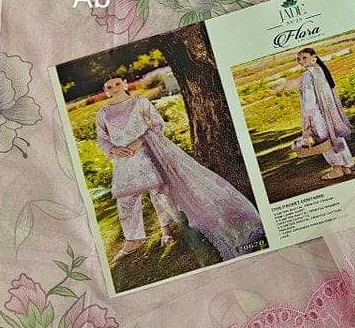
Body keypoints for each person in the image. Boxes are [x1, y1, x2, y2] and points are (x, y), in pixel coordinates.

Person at [95, 75, 263, 265]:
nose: (115, 88)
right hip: (124, 161)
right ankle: (133, 240)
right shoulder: (103, 113)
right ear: (106, 92)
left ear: (125, 84)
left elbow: (158, 124)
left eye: (117, 83)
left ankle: (166, 230)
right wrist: (113, 150)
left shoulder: (140, 103)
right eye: (109, 87)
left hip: (149, 155)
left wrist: (140, 141)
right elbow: (102, 139)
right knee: (125, 200)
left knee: (159, 193)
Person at [296, 48, 355, 180]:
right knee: (336, 137)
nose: (301, 61)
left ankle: (337, 169)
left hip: (316, 115)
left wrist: (307, 121)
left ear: (313, 57)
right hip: (329, 112)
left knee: (324, 140)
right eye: (298, 59)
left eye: (304, 57)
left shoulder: (308, 76)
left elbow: (309, 101)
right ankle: (346, 167)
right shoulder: (320, 70)